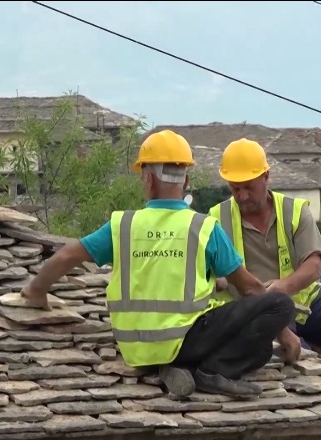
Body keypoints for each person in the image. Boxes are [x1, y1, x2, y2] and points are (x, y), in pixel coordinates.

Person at [21, 130, 296, 399]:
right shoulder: (202, 228)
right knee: (280, 305)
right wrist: (285, 335)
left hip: (136, 348)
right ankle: (210, 371)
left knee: (259, 349)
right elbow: (251, 289)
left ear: (148, 179)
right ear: (186, 180)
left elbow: (67, 255)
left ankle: (176, 369)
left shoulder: (123, 225)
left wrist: (36, 291)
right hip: (188, 342)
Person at [209, 138, 321, 364]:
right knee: (271, 329)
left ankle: (312, 348)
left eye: (248, 187)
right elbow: (212, 277)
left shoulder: (293, 210)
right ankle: (314, 354)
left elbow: (313, 265)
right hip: (252, 311)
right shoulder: (216, 218)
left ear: (266, 177)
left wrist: (284, 286)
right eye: (235, 188)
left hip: (300, 304)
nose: (242, 196)